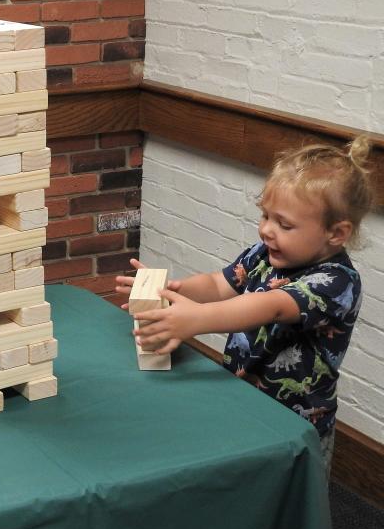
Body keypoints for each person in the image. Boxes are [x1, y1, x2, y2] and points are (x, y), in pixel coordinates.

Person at [116, 137, 374, 476]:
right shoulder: (265, 253)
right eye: (265, 215)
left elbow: (270, 306)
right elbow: (218, 284)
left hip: (294, 426)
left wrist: (196, 320)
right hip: (244, 403)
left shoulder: (337, 282)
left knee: (292, 506)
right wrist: (171, 289)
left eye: (284, 224)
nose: (267, 230)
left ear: (336, 234)